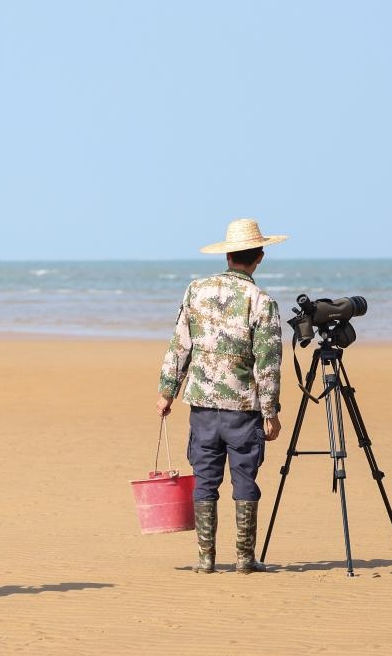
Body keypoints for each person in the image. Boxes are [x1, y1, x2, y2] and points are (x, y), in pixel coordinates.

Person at [156, 218, 286, 574]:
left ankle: (205, 559)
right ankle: (245, 559)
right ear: (259, 257)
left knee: (205, 478)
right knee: (245, 479)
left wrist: (167, 392)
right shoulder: (261, 300)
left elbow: (180, 345)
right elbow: (268, 362)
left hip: (202, 406)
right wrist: (271, 411)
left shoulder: (195, 290)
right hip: (243, 409)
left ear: (228, 254)